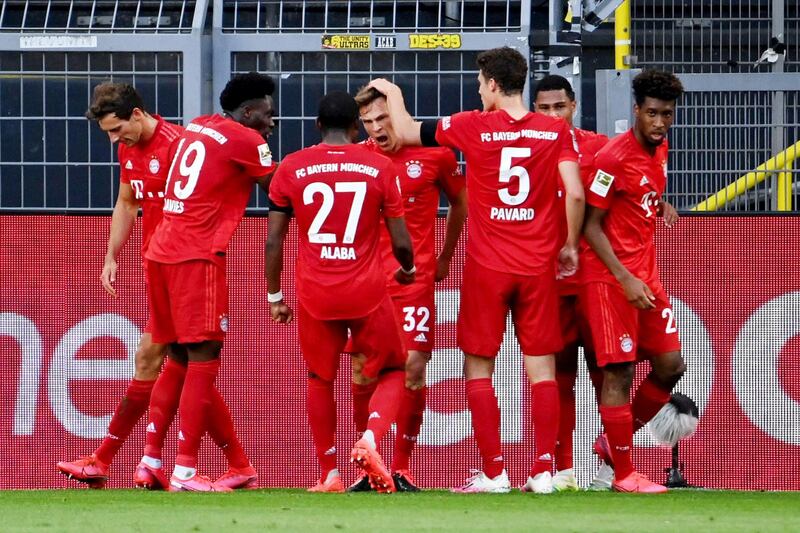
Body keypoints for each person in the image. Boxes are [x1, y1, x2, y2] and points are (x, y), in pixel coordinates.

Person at [368, 46, 585, 494]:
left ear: (490, 83)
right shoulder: (554, 130)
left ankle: (494, 472)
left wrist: (390, 90)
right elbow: (576, 193)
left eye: (479, 83)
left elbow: (407, 130)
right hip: (537, 266)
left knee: (479, 368)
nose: (478, 90)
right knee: (542, 369)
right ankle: (544, 470)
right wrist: (567, 245)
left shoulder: (471, 126)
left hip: (488, 267)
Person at [56, 83, 255, 491]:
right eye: (108, 133)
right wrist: (112, 256)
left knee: (157, 358)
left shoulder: (179, 145)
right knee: (185, 364)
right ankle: (234, 464)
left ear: (138, 114)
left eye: (117, 129)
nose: (115, 139)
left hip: (186, 267)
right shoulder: (128, 150)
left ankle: (112, 459)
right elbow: (128, 201)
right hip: (159, 268)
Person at [265, 91, 415, 494]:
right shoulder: (380, 167)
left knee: (319, 378)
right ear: (356, 127)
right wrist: (408, 268)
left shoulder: (291, 168)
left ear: (317, 125)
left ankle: (329, 474)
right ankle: (370, 437)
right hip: (365, 291)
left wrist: (275, 297)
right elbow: (401, 241)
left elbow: (273, 242)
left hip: (315, 293)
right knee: (394, 369)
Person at [143, 72, 277, 492]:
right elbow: (279, 189)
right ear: (249, 111)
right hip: (196, 256)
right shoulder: (247, 140)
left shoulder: (198, 123)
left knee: (181, 360)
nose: (272, 123)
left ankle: (151, 459)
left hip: (161, 249)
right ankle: (185, 469)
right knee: (204, 358)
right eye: (268, 114)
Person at [345, 86, 467, 493]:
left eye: (383, 118)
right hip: (367, 285)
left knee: (413, 368)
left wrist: (446, 256)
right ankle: (367, 468)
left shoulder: (436, 153)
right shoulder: (359, 157)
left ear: (398, 112)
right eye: (368, 122)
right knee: (364, 371)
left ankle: (400, 466)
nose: (377, 128)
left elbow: (461, 203)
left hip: (413, 281)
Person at [581, 69, 687, 493]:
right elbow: (591, 226)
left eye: (667, 114)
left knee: (671, 365)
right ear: (636, 111)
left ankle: (612, 444)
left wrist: (660, 203)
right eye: (653, 114)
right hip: (611, 280)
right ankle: (624, 475)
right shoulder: (611, 159)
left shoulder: (660, 151)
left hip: (647, 277)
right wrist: (624, 278)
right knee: (619, 374)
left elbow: (641, 189)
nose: (660, 123)